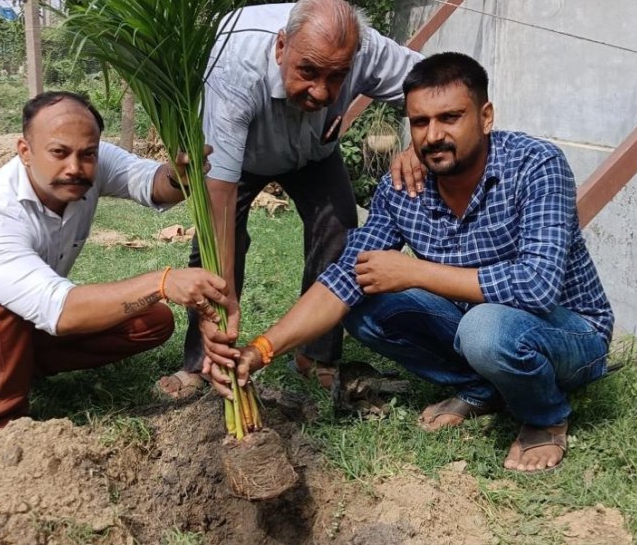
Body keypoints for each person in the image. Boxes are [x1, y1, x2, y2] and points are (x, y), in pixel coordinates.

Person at [204, 52, 614, 473]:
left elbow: (537, 285)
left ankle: (545, 418)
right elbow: (344, 279)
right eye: (420, 122)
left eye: (450, 118)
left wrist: (415, 272)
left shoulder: (536, 166)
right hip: (476, 328)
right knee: (362, 302)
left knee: (485, 328)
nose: (433, 135)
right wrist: (259, 351)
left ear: (485, 116)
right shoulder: (404, 187)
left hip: (569, 334)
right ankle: (480, 387)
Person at [0, 91, 230, 437]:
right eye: (59, 153)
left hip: (32, 307)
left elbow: (150, 183)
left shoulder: (90, 163)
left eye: (87, 154)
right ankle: (4, 428)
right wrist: (162, 282)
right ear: (25, 151)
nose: (75, 168)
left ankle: (18, 360)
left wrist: (177, 175)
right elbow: (57, 308)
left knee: (152, 321)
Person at [156, 0, 423, 398]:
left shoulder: (366, 48)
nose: (320, 91)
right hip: (241, 157)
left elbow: (437, 83)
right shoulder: (236, 65)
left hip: (314, 152)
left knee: (339, 227)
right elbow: (220, 197)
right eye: (308, 71)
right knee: (217, 245)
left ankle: (316, 357)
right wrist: (223, 303)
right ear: (281, 46)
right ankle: (201, 361)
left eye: (337, 77)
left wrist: (418, 143)